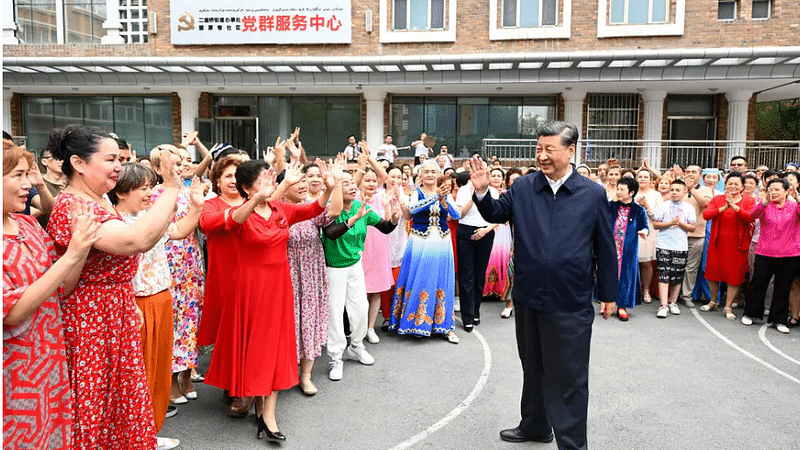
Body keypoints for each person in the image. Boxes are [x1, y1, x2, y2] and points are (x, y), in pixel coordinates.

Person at [471, 121, 617, 450]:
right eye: (539, 149)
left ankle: (572, 444)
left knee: (570, 379)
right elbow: (495, 211)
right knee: (533, 367)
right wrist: (482, 191)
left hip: (570, 302)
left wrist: (609, 294)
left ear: (570, 151)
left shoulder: (592, 194)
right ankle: (535, 426)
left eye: (550, 149)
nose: (543, 156)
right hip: (528, 297)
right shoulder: (523, 188)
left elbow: (606, 249)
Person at [46, 124, 184, 449]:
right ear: (79, 163)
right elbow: (138, 239)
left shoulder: (99, 201)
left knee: (118, 406)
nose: (118, 167)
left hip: (114, 314)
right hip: (90, 322)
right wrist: (172, 187)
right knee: (93, 407)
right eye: (110, 160)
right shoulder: (72, 206)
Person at [204, 159, 337, 442]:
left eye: (270, 177)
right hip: (250, 290)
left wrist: (328, 189)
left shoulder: (279, 209)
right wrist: (256, 200)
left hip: (279, 289)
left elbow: (313, 209)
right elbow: (232, 222)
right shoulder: (239, 212)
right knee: (257, 350)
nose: (271, 182)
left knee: (276, 350)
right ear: (246, 188)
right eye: (264, 179)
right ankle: (257, 407)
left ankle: (268, 415)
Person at [3, 142, 99, 450]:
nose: (28, 184)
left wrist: (81, 247)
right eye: (18, 175)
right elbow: (12, 313)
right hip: (14, 372)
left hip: (50, 364)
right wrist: (72, 255)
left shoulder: (27, 223)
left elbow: (62, 287)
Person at [111, 162, 201, 448]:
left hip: (162, 297)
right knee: (142, 373)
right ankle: (138, 434)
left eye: (151, 187)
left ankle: (149, 431)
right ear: (122, 192)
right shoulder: (114, 223)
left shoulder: (148, 216)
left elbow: (179, 230)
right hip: (137, 302)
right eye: (143, 188)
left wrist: (196, 207)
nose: (150, 193)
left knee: (160, 371)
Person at [321, 171, 400, 380]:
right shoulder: (332, 208)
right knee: (336, 313)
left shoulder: (361, 206)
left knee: (360, 308)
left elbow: (383, 227)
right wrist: (354, 219)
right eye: (344, 183)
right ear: (337, 187)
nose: (351, 186)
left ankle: (356, 345)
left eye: (351, 183)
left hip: (355, 265)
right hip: (334, 268)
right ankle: (335, 357)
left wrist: (394, 218)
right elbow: (330, 233)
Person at [149, 145, 207, 405]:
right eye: (175, 162)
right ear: (158, 167)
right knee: (171, 321)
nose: (181, 166)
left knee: (191, 319)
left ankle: (186, 373)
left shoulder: (192, 193)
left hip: (191, 264)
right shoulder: (153, 195)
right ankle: (170, 380)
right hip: (165, 264)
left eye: (185, 161)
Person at [285, 158, 344, 396]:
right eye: (297, 181)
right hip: (285, 272)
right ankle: (284, 372)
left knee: (308, 321)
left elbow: (335, 211)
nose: (302, 186)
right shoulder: (277, 207)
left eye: (304, 182)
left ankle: (305, 376)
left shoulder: (312, 206)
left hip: (311, 271)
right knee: (288, 322)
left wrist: (336, 183)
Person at [389, 160, 461, 344]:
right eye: (426, 172)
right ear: (420, 176)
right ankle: (416, 322)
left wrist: (444, 201)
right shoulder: (416, 193)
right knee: (421, 278)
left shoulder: (445, 193)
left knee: (442, 280)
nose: (430, 174)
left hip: (442, 242)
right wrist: (434, 197)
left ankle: (444, 325)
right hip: (420, 242)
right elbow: (412, 210)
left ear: (438, 175)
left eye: (433, 172)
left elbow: (457, 215)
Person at [741, 179, 800, 334]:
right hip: (764, 252)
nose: (773, 192)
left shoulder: (794, 207)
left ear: (787, 191)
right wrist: (764, 203)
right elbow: (751, 216)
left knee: (783, 287)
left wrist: (798, 198)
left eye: (776, 190)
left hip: (789, 255)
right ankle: (750, 313)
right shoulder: (765, 206)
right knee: (758, 284)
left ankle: (779, 320)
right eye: (770, 189)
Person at [700, 172, 756, 320]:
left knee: (734, 276)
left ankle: (728, 306)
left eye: (736, 184)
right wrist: (724, 207)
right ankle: (713, 301)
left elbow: (750, 217)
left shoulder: (749, 200)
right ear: (725, 185)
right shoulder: (718, 199)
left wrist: (734, 207)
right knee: (712, 273)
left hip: (738, 244)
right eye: (730, 183)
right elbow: (706, 215)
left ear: (743, 186)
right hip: (717, 242)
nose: (732, 186)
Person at [352, 147, 392, 344]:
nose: (371, 183)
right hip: (359, 249)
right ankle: (356, 328)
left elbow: (383, 174)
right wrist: (362, 165)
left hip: (379, 248)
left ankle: (370, 327)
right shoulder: (355, 199)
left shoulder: (380, 197)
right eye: (366, 180)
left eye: (373, 181)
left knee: (375, 290)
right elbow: (355, 182)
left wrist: (369, 157)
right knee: (358, 292)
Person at [455, 170, 497, 331]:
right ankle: (467, 316)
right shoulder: (463, 190)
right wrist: (473, 197)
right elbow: (460, 214)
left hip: (486, 233)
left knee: (480, 276)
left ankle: (475, 311)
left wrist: (485, 230)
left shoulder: (492, 191)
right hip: (466, 232)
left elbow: (497, 216)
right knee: (467, 276)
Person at [652, 179, 696, 318]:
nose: (674, 192)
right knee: (664, 274)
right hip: (664, 244)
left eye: (678, 190)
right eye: (672, 190)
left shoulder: (689, 208)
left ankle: (673, 302)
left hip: (680, 246)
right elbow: (656, 225)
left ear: (685, 192)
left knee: (677, 275)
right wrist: (671, 222)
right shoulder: (663, 206)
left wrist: (681, 223)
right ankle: (663, 305)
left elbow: (692, 227)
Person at [610, 177, 649, 321]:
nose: (618, 192)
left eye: (622, 190)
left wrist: (644, 232)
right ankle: (606, 301)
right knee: (609, 274)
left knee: (626, 276)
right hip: (612, 247)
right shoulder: (611, 206)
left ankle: (622, 306)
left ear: (631, 192)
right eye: (617, 189)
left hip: (628, 249)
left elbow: (644, 226)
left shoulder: (638, 210)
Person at [679, 165, 713, 308]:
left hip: (697, 235)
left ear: (700, 176)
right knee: (675, 265)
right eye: (688, 172)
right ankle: (672, 295)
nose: (690, 174)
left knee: (691, 267)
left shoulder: (705, 189)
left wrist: (691, 188)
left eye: (694, 172)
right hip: (677, 234)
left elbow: (706, 204)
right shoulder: (678, 187)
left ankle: (686, 295)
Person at [380, 166, 410, 331]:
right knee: (386, 283)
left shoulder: (405, 197)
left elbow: (407, 217)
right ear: (386, 178)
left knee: (399, 280)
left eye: (400, 176)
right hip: (383, 241)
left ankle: (397, 314)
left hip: (400, 241)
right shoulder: (380, 196)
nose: (397, 180)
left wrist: (400, 199)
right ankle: (386, 316)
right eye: (393, 176)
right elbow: (384, 220)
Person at [483, 168, 512, 300]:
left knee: (502, 257)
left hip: (503, 230)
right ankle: (487, 289)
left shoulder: (507, 194)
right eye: (493, 175)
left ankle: (500, 290)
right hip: (488, 227)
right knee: (489, 257)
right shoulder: (486, 193)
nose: (495, 178)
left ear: (503, 179)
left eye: (498, 176)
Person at [634, 168, 661, 303]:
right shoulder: (631, 192)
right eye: (640, 176)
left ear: (651, 180)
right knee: (630, 262)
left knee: (646, 262)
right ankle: (632, 290)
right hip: (632, 230)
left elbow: (658, 216)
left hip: (649, 230)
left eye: (646, 177)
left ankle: (646, 290)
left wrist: (646, 205)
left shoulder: (656, 195)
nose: (643, 179)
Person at [501, 168, 524, 318]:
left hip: (532, 241)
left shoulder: (533, 197)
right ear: (508, 182)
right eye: (513, 180)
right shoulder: (506, 198)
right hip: (512, 239)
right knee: (512, 271)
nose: (516, 183)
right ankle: (509, 303)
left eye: (519, 180)